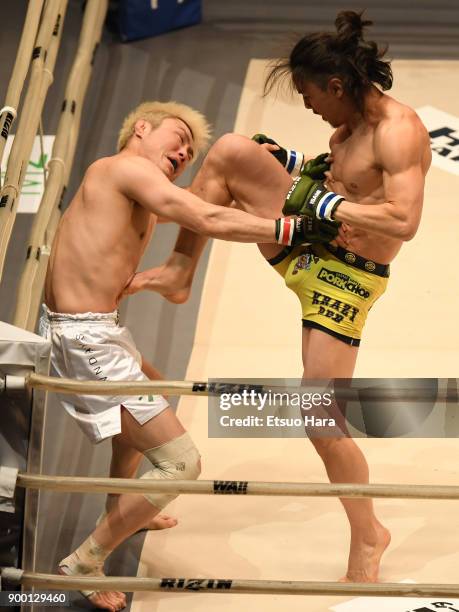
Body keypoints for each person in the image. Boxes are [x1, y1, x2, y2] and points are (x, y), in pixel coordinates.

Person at [129, 11, 431, 583]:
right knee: (233, 153)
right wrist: (293, 164)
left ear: (336, 85)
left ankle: (370, 534)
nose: (310, 105)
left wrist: (323, 207)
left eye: (310, 94)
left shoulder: (400, 130)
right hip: (313, 240)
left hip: (348, 274)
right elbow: (342, 177)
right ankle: (178, 270)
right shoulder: (347, 129)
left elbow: (403, 219)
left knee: (319, 415)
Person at [40, 100, 336, 611]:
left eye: (190, 151)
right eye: (176, 137)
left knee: (145, 411)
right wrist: (288, 229)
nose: (182, 152)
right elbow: (199, 212)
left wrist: (268, 160)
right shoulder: (123, 168)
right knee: (180, 464)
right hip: (84, 337)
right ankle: (84, 561)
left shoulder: (130, 180)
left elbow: (202, 199)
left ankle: (124, 507)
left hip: (100, 329)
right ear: (141, 128)